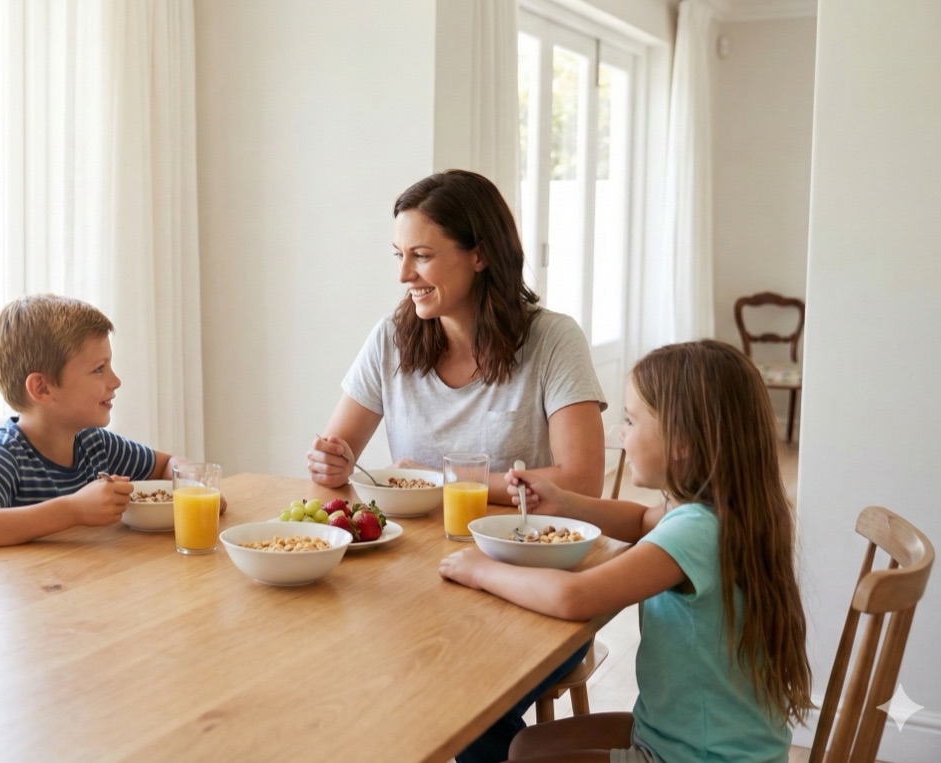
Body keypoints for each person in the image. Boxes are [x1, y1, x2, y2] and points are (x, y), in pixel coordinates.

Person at [305, 169, 606, 761]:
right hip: (419, 577)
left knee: (460, 700)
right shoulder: (392, 338)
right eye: (398, 255)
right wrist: (331, 462)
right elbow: (339, 456)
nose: (404, 275)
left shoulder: (552, 340)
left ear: (480, 255)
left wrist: (448, 482)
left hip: (531, 581)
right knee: (342, 673)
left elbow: (581, 481)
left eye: (421, 255)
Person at [440, 340, 812, 762]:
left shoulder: (697, 531)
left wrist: (481, 569)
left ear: (682, 442)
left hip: (698, 755)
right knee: (523, 746)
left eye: (631, 421)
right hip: (694, 735)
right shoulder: (724, 511)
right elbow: (640, 521)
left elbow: (575, 596)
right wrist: (563, 501)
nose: (621, 433)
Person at [0, 294, 218, 558]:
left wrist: (193, 490)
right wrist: (74, 509)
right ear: (42, 388)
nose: (115, 381)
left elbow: (166, 464)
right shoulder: (5, 454)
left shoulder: (94, 443)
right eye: (99, 369)